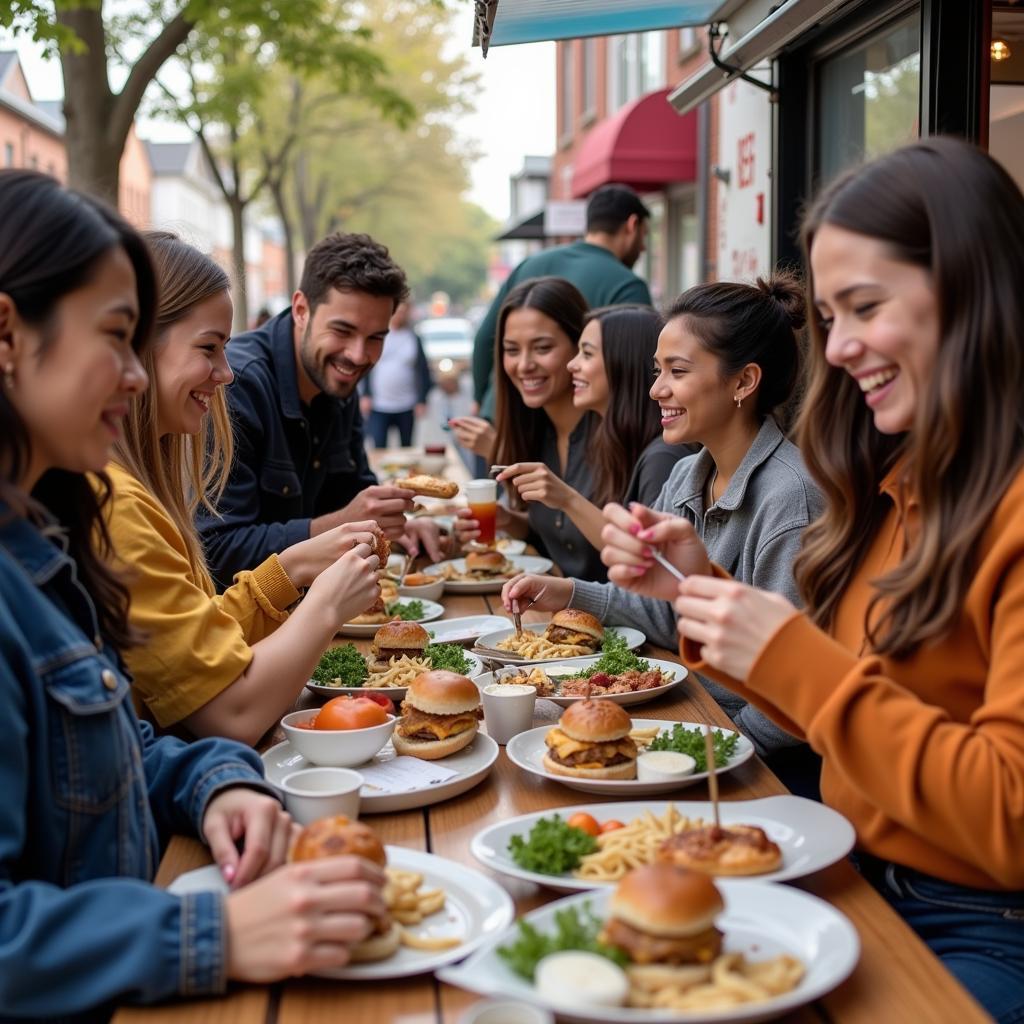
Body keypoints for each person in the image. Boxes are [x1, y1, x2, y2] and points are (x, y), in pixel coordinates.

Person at [0, 170, 386, 1020]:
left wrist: (217, 785)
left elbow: (123, 742)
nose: (135, 377)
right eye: (116, 337)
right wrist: (210, 933)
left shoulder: (48, 551)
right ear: (8, 336)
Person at [662, 140, 1023, 1022]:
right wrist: (701, 589)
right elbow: (835, 707)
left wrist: (795, 658)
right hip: (851, 875)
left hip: (983, 925)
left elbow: (1010, 820)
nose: (844, 347)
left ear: (974, 292)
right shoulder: (895, 485)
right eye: (830, 317)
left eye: (866, 307)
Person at [505, 275, 822, 793]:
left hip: (760, 766)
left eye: (677, 371)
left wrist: (713, 751)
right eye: (658, 371)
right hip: (689, 714)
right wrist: (569, 592)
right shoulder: (686, 474)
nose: (656, 390)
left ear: (744, 382)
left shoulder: (791, 499)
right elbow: (664, 610)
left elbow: (797, 686)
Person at [103, 231, 381, 745]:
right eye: (209, 348)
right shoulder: (117, 504)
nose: (225, 374)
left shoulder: (137, 484)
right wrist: (325, 606)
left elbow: (198, 638)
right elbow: (229, 716)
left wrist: (291, 567)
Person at [196, 232, 445, 590]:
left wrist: (397, 525)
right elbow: (215, 551)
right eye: (343, 331)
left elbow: (353, 490)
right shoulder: (236, 386)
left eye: (376, 337)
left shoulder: (336, 381)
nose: (358, 356)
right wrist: (342, 524)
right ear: (301, 309)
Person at [460, 304, 689, 552]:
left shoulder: (662, 457)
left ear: (623, 363)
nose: (572, 365)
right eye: (511, 349)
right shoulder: (606, 437)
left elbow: (649, 559)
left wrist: (567, 499)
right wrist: (510, 520)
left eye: (586, 354)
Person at [454, 183, 653, 460]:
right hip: (577, 438)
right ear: (632, 226)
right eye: (644, 236)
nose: (643, 247)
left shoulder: (530, 264)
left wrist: (482, 400)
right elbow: (633, 374)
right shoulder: (627, 284)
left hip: (500, 422)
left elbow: (485, 338)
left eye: (543, 347)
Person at [455, 277, 605, 580]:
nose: (523, 365)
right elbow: (554, 536)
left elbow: (641, 555)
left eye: (542, 347)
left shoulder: (614, 433)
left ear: (580, 349)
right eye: (511, 350)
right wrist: (510, 522)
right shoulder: (533, 429)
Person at [360, 299, 433, 448]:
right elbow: (366, 365)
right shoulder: (377, 336)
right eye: (396, 312)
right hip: (379, 404)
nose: (399, 316)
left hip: (406, 404)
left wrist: (422, 400)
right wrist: (365, 394)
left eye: (403, 312)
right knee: (379, 446)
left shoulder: (414, 339)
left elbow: (423, 371)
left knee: (407, 447)